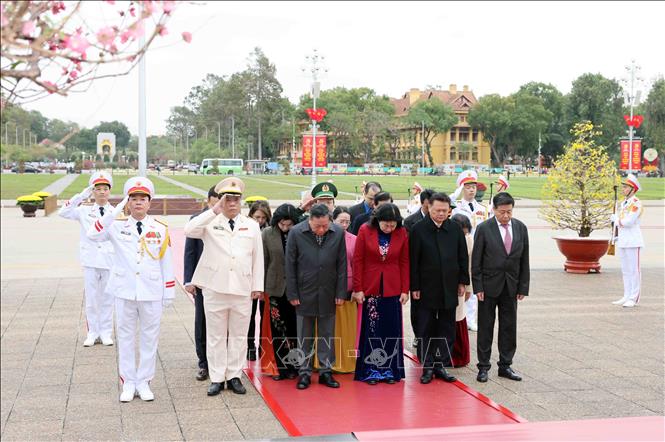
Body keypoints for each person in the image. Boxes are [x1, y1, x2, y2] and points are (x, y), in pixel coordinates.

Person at [87, 177, 175, 402]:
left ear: (149, 202)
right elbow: (93, 233)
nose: (138, 203)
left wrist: (169, 291)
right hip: (124, 290)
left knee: (149, 338)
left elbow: (166, 261)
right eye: (133, 199)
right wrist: (114, 211)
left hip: (151, 291)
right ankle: (128, 382)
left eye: (142, 199)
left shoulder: (160, 228)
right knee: (125, 338)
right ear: (127, 202)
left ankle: (144, 381)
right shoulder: (116, 226)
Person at [184, 177, 264, 396]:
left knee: (239, 335)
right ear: (220, 201)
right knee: (216, 336)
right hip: (215, 287)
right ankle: (217, 377)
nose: (232, 204)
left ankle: (234, 375)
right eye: (227, 199)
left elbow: (258, 259)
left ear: (241, 202)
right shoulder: (210, 221)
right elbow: (189, 230)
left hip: (242, 288)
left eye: (236, 199)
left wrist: (257, 286)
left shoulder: (252, 225)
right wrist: (214, 210)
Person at [285, 204, 348, 390]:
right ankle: (304, 372)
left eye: (325, 226)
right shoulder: (296, 232)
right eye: (317, 226)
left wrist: (340, 292)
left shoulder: (337, 233)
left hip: (329, 291)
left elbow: (342, 264)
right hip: (304, 291)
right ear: (309, 220)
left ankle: (325, 371)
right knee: (304, 334)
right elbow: (290, 265)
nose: (321, 230)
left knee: (327, 333)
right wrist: (293, 292)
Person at [410, 192, 468, 384]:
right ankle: (427, 366)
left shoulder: (454, 229)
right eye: (437, 210)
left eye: (445, 210)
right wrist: (415, 286)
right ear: (429, 208)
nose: (441, 214)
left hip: (449, 286)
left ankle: (441, 364)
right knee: (425, 327)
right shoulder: (419, 229)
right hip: (426, 287)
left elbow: (462, 258)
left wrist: (462, 282)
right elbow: (414, 261)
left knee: (447, 327)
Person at [473, 192, 530, 383]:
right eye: (502, 212)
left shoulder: (520, 228)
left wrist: (523, 286)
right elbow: (477, 261)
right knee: (486, 326)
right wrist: (478, 286)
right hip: (488, 286)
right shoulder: (484, 228)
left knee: (508, 326)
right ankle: (483, 367)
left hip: (511, 286)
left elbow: (524, 260)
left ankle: (505, 365)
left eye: (509, 212)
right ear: (494, 210)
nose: (506, 216)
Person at [353, 203, 409, 385]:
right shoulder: (365, 230)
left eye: (393, 225)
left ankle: (390, 370)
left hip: (393, 287)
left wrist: (404, 289)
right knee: (372, 330)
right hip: (371, 287)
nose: (390, 228)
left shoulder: (401, 233)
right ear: (378, 221)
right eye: (386, 225)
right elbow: (358, 260)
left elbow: (404, 261)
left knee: (391, 330)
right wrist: (358, 288)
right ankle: (371, 370)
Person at [59, 171, 116, 347]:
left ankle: (106, 332)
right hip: (90, 259)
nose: (101, 192)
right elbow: (63, 211)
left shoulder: (115, 212)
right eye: (97, 189)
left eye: (105, 189)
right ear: (93, 191)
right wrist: (82, 195)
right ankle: (92, 332)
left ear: (109, 191)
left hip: (108, 260)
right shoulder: (83, 210)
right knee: (92, 299)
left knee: (108, 298)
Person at [260, 203, 301, 380]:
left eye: (288, 224)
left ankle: (295, 366)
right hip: (274, 288)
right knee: (277, 328)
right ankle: (279, 367)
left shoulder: (299, 233)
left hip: (295, 289)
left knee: (294, 328)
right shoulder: (267, 234)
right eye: (282, 224)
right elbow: (263, 262)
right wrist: (260, 288)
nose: (285, 228)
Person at [184, 186, 220, 381]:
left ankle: (221, 363)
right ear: (209, 201)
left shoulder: (229, 221)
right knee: (202, 322)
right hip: (202, 281)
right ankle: (204, 363)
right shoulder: (196, 220)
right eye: (218, 201)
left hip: (223, 281)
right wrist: (188, 279)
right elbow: (190, 252)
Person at [451, 170, 487, 333]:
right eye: (468, 187)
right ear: (461, 189)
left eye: (473, 187)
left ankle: (471, 319)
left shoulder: (482, 208)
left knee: (474, 287)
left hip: (478, 251)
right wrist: (455, 194)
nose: (472, 190)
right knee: (461, 286)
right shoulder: (457, 207)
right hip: (461, 250)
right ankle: (460, 318)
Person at [331, 206, 358, 374]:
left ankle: (346, 361)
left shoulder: (354, 239)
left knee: (348, 328)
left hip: (348, 289)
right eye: (341, 221)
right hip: (328, 288)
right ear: (333, 220)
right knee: (329, 328)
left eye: (347, 221)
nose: (345, 224)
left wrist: (357, 288)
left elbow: (357, 265)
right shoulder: (325, 237)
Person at [610, 174, 644, 308]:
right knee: (625, 270)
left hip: (633, 241)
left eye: (626, 187)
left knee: (634, 270)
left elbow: (628, 222)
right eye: (623, 187)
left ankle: (634, 297)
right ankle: (626, 295)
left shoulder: (636, 203)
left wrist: (616, 220)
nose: (623, 189)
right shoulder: (624, 204)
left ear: (633, 189)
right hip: (623, 240)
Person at [247, 200, 272, 360]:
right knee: (249, 316)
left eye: (263, 217)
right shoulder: (246, 229)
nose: (260, 221)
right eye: (257, 217)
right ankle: (250, 346)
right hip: (249, 280)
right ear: (251, 215)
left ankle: (263, 346)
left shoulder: (270, 232)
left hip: (266, 280)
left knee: (264, 316)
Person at [450, 214, 473, 367]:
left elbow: (470, 267)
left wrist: (469, 288)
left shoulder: (470, 240)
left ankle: (459, 354)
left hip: (460, 285)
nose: (464, 236)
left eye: (466, 233)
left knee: (459, 316)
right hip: (444, 284)